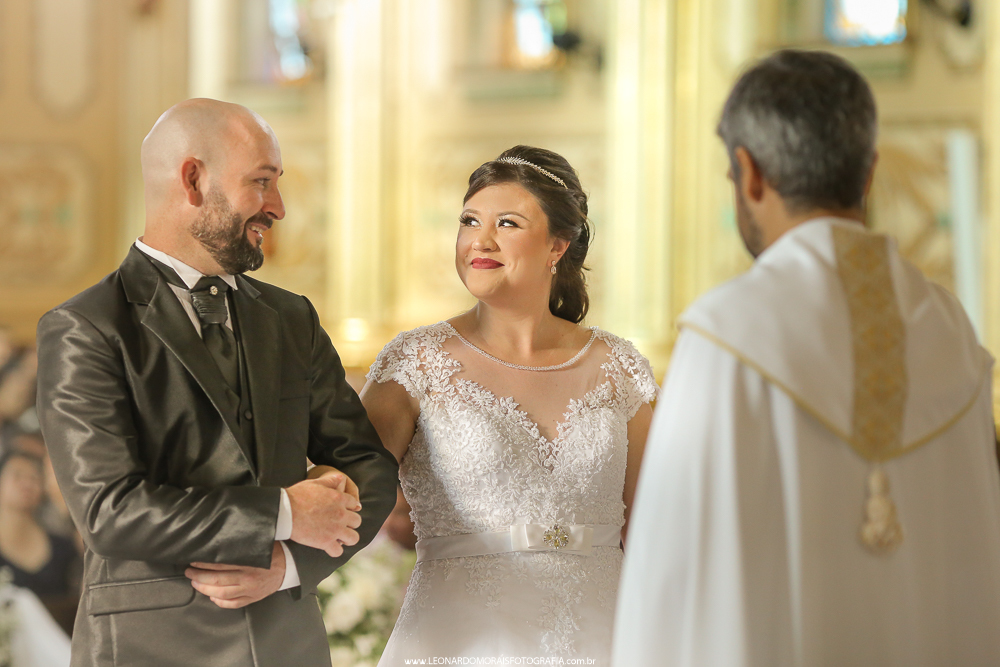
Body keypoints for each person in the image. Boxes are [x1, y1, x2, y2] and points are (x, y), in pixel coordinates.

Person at [613, 50, 1000, 666]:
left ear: (750, 172)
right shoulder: (952, 335)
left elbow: (672, 586)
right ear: (869, 172)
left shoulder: (726, 338)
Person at [35, 99, 399, 667]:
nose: (277, 207)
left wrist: (292, 566)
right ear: (193, 179)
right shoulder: (85, 327)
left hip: (289, 644)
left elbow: (369, 466)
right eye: (262, 182)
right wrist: (283, 512)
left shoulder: (291, 317)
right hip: (150, 649)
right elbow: (109, 511)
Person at [362, 146, 657, 665]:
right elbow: (343, 493)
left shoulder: (620, 367)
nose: (481, 239)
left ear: (557, 246)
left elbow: (656, 527)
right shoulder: (415, 363)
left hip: (604, 641)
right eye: (469, 220)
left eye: (508, 223)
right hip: (458, 642)